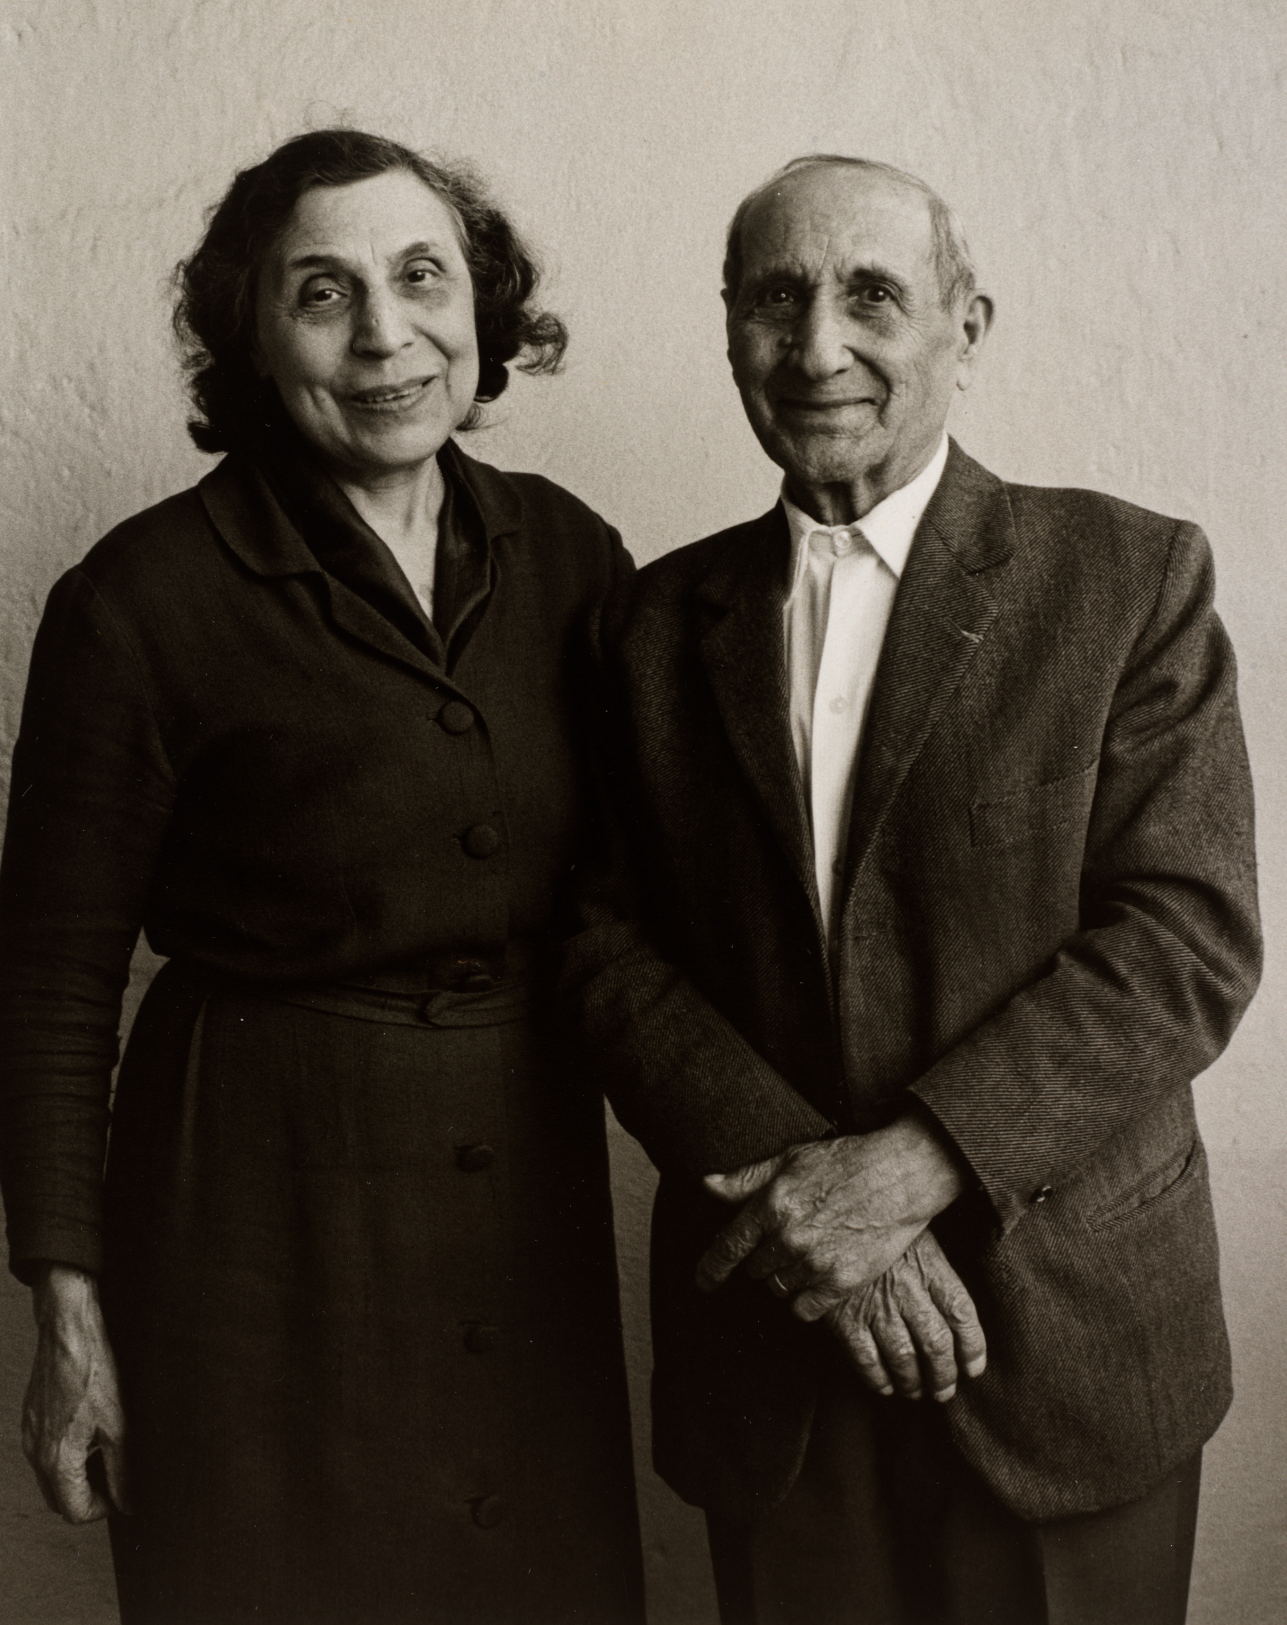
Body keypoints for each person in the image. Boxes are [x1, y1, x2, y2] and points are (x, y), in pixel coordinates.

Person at [561, 155, 1260, 1625]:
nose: (818, 346)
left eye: (873, 293)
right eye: (776, 298)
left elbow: (1188, 933)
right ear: (730, 328)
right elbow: (599, 943)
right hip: (773, 1335)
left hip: (1071, 1343)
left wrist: (911, 1168)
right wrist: (814, 1207)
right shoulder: (645, 623)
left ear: (968, 324)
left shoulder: (1128, 577)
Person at [0, 128, 645, 1625]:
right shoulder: (142, 598)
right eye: (322, 292)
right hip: (251, 1215)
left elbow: (649, 906)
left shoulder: (571, 558)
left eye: (422, 277)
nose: (386, 333)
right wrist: (70, 1316)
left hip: (522, 1189)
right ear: (252, 336)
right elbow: (48, 982)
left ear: (483, 311)